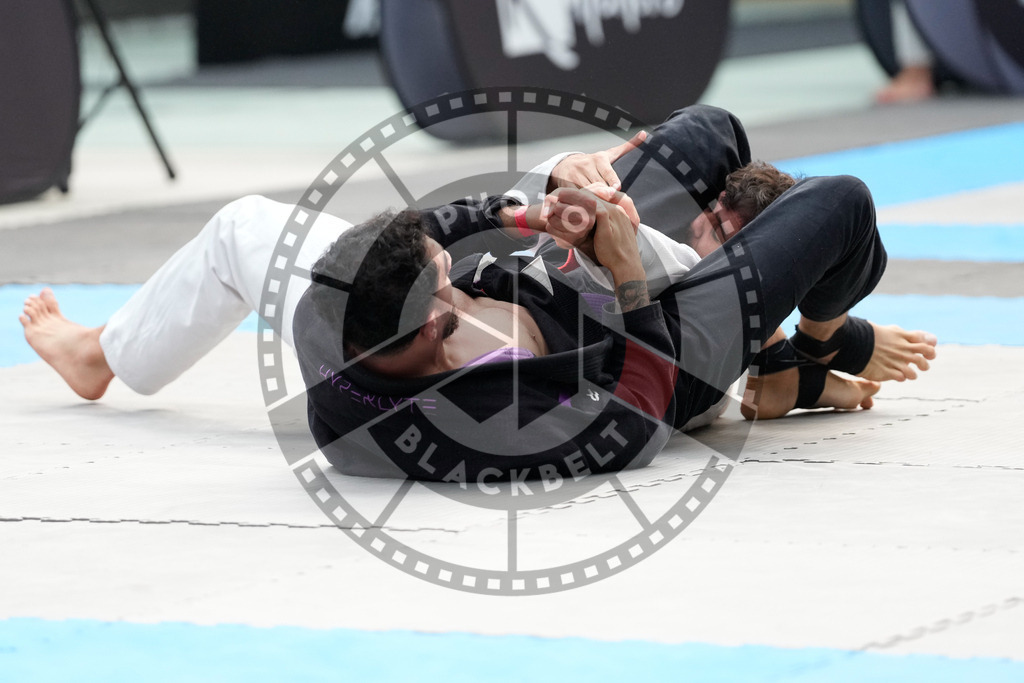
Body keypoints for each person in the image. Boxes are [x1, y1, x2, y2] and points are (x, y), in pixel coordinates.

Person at [20, 105, 937, 484]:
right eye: (449, 301)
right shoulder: (487, 412)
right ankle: (811, 347)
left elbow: (429, 238)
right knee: (842, 206)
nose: (456, 286)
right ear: (430, 339)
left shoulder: (334, 304)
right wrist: (617, 258)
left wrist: (538, 211)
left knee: (708, 133)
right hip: (652, 346)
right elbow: (639, 410)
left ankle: (101, 355)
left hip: (560, 283)